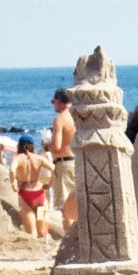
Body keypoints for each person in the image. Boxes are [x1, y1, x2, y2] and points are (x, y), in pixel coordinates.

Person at [48, 88, 78, 234]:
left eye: (53, 102)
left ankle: (69, 239)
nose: (53, 105)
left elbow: (57, 146)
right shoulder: (77, 116)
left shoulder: (60, 119)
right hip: (77, 161)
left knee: (65, 207)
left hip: (64, 163)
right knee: (77, 202)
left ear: (59, 101)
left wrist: (47, 146)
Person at [13, 135, 54, 239]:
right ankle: (46, 247)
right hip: (40, 194)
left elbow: (12, 171)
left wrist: (13, 183)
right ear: (32, 146)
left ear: (19, 146)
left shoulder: (17, 158)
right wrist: (50, 183)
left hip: (25, 194)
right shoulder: (39, 158)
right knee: (43, 231)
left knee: (32, 232)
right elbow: (55, 169)